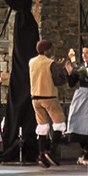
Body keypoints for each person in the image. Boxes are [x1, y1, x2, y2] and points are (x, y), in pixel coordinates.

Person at [29, 39, 66, 167]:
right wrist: (60, 68)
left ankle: (41, 155)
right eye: (50, 49)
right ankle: (51, 150)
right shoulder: (50, 63)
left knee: (42, 126)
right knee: (60, 122)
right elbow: (59, 79)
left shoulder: (31, 62)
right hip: (48, 96)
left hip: (35, 97)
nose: (51, 51)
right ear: (46, 50)